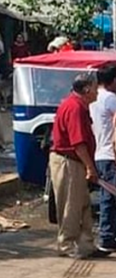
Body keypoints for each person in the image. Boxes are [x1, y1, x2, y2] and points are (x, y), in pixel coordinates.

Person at [50, 73, 105, 259]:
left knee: (83, 205)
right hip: (69, 162)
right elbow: (78, 143)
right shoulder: (75, 108)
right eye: (96, 88)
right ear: (87, 89)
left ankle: (86, 245)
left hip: (75, 161)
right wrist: (90, 168)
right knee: (71, 206)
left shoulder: (79, 106)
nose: (98, 92)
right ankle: (67, 244)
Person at [91, 65, 116, 254]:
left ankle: (108, 236)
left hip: (97, 154)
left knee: (106, 196)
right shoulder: (111, 99)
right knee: (109, 197)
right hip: (109, 154)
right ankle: (106, 237)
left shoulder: (91, 98)